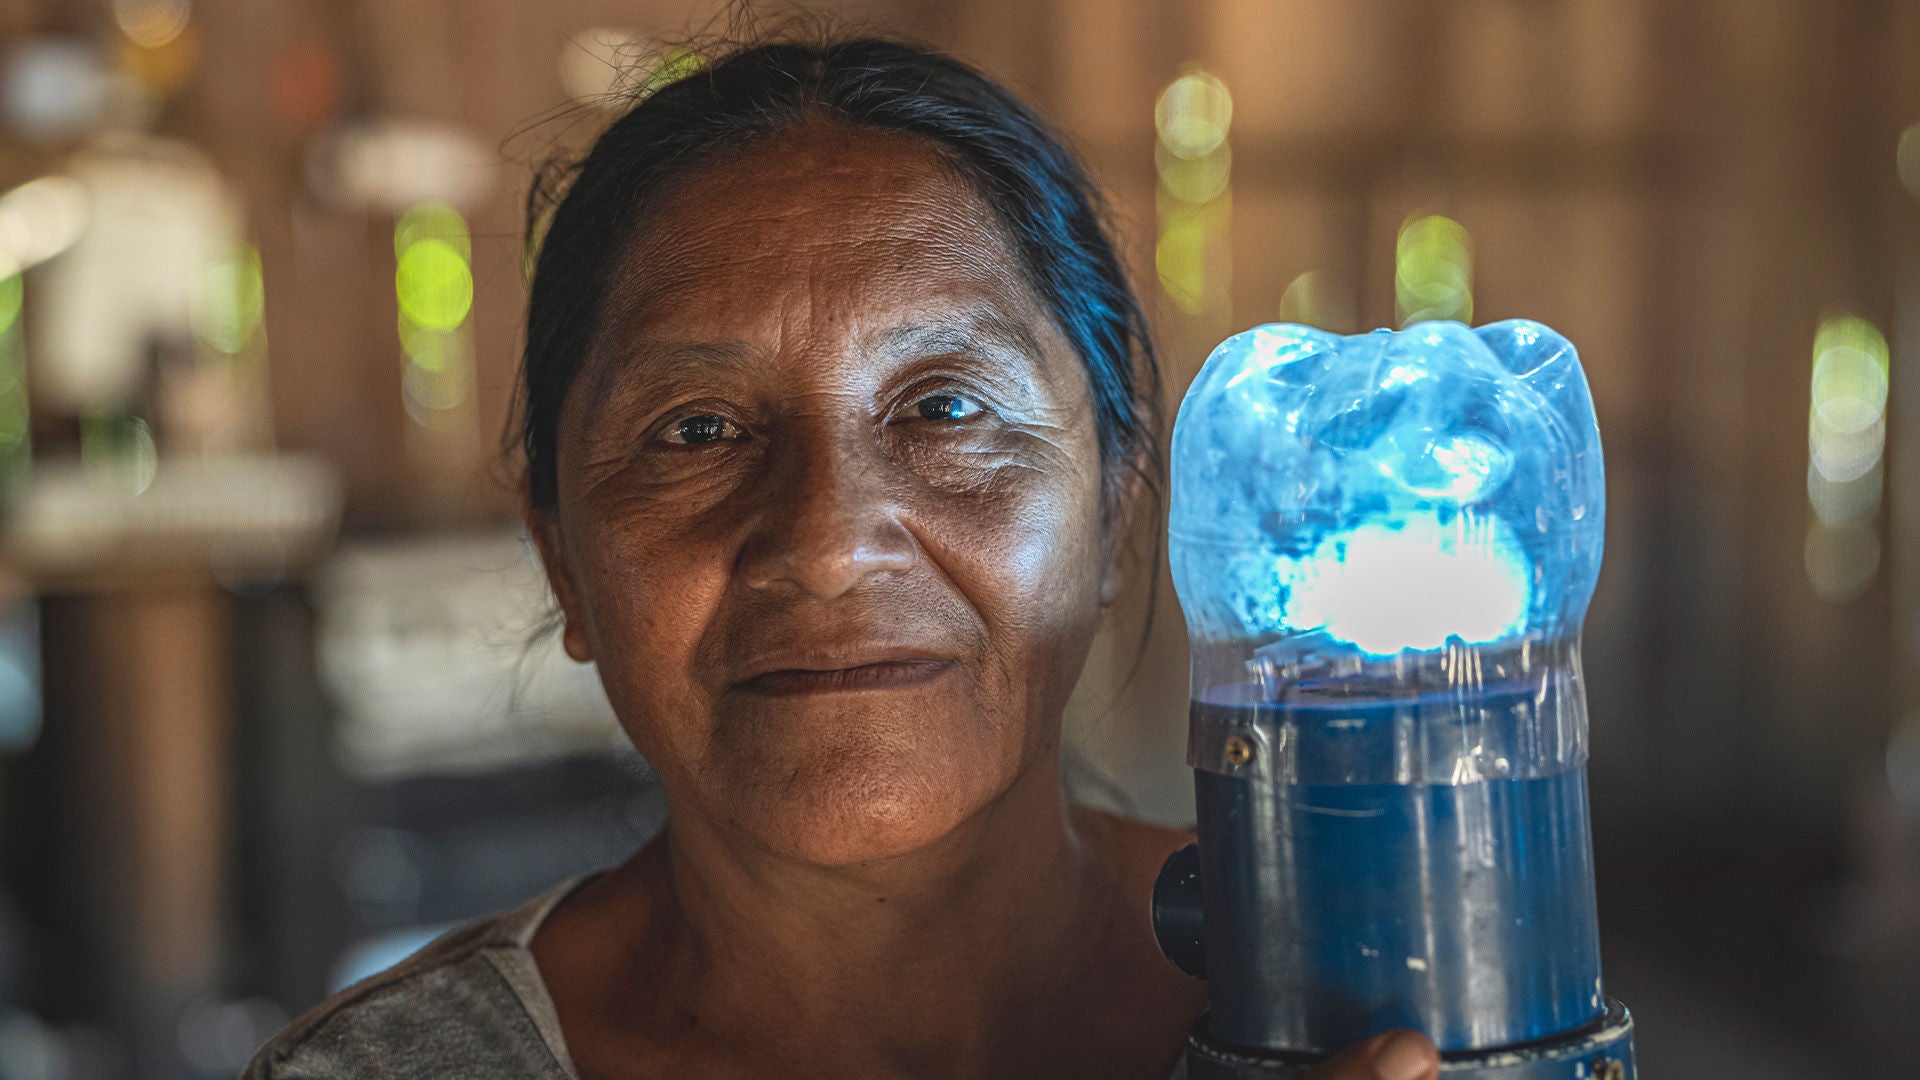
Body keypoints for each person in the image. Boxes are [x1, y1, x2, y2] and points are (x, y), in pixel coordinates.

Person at [246, 35, 1442, 1080]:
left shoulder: (1401, 997)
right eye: (698, 432)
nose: (825, 544)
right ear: (563, 559)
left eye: (946, 411)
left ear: (1117, 508)